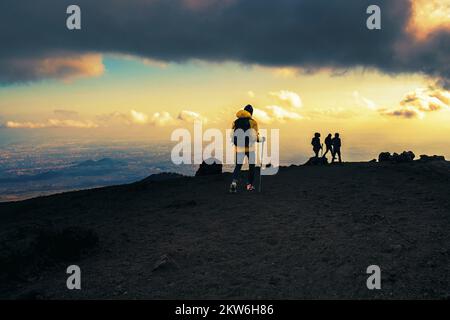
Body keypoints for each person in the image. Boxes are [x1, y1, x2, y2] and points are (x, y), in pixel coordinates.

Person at [229, 104, 260, 193]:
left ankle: (234, 183)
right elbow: (255, 137)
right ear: (251, 112)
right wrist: (260, 139)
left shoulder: (236, 122)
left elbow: (232, 135)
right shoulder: (253, 122)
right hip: (250, 148)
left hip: (239, 148)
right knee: (252, 167)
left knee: (238, 166)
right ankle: (249, 186)